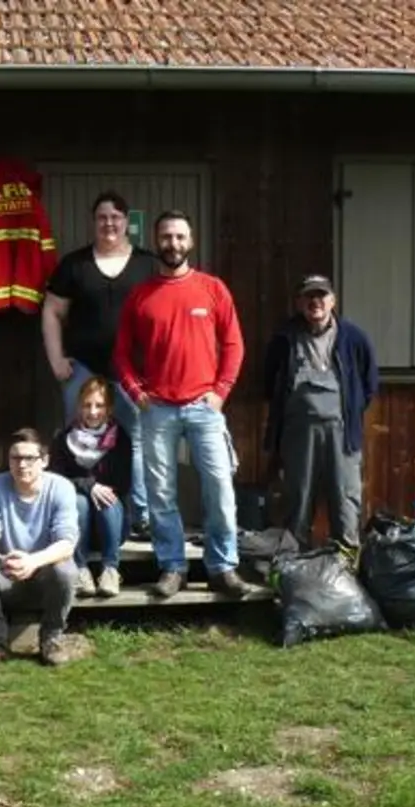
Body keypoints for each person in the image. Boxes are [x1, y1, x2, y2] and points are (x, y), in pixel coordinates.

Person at [112, 210, 250, 600]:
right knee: (160, 493)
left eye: (179, 237)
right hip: (157, 409)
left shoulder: (212, 288)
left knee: (220, 488)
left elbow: (234, 344)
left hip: (205, 408)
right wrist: (135, 392)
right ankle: (172, 568)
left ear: (190, 241)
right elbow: (121, 354)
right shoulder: (141, 295)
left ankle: (223, 567)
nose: (173, 243)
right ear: (156, 242)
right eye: (166, 237)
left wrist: (221, 391)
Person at [41, 191, 161, 539]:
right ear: (94, 222)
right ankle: (75, 514)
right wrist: (56, 360)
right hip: (82, 368)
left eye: (116, 217)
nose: (109, 223)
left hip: (132, 373)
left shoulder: (148, 265)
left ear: (127, 222)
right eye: (102, 218)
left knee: (135, 442)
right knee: (77, 441)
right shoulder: (74, 265)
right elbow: (52, 311)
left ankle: (139, 517)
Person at [262, 275, 378, 549]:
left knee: (345, 502)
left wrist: (348, 410)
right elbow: (270, 382)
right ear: (300, 302)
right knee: (297, 501)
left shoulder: (354, 338)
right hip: (298, 434)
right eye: (309, 297)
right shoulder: (284, 338)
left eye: (321, 296)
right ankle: (294, 571)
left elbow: (369, 384)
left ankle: (347, 573)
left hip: (342, 434)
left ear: (332, 301)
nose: (316, 302)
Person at [0, 428, 80, 667]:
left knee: (66, 571)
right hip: (6, 573)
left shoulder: (61, 488)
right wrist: (1, 561)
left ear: (44, 461)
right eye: (15, 458)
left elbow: (67, 543)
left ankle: (51, 639)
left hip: (45, 572)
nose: (22, 465)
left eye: (29, 458)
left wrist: (33, 561)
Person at [48, 376, 133, 599]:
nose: (93, 411)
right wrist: (89, 485)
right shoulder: (63, 439)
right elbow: (56, 481)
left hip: (111, 523)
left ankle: (110, 570)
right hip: (77, 524)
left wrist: (96, 489)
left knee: (106, 498)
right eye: (87, 405)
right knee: (78, 501)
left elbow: (123, 484)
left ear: (109, 408)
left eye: (99, 405)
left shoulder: (121, 438)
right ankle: (80, 569)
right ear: (79, 407)